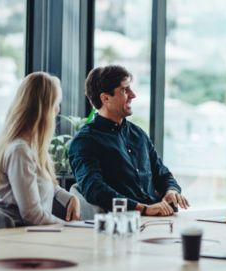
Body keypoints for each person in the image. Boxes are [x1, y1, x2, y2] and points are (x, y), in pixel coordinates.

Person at [68, 65, 189, 216]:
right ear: (105, 98)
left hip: (159, 220)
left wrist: (171, 190)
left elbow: (163, 174)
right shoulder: (85, 141)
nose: (133, 95)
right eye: (125, 90)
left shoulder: (138, 134)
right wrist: (142, 208)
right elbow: (94, 189)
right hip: (124, 224)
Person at [0, 72, 81, 225]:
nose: (57, 110)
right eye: (55, 103)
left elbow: (44, 184)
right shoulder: (20, 151)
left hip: (31, 235)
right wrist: (69, 228)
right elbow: (32, 215)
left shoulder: (31, 146)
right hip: (17, 237)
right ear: (43, 109)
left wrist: (70, 198)